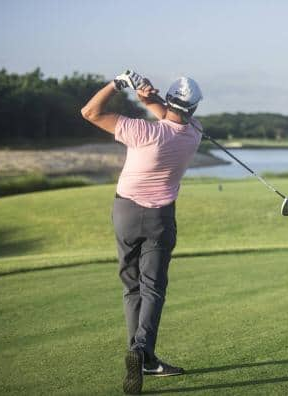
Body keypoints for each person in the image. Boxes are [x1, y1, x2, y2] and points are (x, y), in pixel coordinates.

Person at [81, 70, 203, 394]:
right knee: (153, 288)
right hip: (160, 218)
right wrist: (150, 99)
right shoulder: (194, 134)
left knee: (131, 286)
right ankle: (142, 351)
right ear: (195, 109)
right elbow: (173, 116)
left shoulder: (141, 131)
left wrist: (118, 83)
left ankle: (141, 355)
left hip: (125, 212)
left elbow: (89, 112)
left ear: (171, 101)